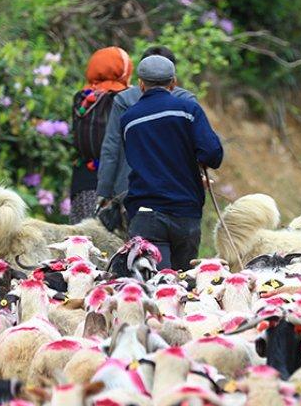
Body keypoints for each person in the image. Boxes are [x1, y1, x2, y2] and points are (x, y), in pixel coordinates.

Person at [118, 55, 223, 271]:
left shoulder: (129, 119)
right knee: (182, 287)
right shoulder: (188, 110)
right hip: (184, 213)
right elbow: (212, 154)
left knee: (152, 286)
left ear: (140, 84)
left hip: (144, 213)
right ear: (173, 82)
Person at [96, 46, 198, 217]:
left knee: (135, 242)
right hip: (178, 192)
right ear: (173, 78)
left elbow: (112, 147)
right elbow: (200, 147)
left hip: (130, 191)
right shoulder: (186, 101)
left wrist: (104, 191)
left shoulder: (125, 99)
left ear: (141, 79)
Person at [69, 47, 132, 223]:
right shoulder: (125, 99)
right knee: (111, 243)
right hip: (115, 183)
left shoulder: (81, 98)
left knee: (81, 241)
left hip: (83, 179)